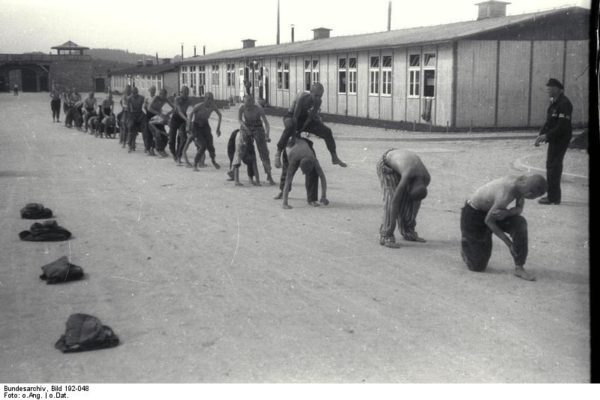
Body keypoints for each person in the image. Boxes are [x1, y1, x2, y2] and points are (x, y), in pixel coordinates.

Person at [460, 174, 548, 282]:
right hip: (474, 214)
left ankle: (519, 267)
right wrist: (509, 243)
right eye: (534, 197)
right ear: (529, 194)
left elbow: (519, 209)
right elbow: (489, 221)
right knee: (477, 266)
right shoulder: (505, 194)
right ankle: (467, 243)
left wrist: (507, 213)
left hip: (495, 212)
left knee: (520, 223)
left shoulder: (521, 184)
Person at [274, 82, 346, 169]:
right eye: (316, 95)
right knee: (290, 126)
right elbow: (295, 118)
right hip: (291, 116)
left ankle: (334, 156)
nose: (318, 98)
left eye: (320, 96)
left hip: (304, 119)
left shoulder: (318, 101)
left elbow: (309, 118)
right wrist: (294, 137)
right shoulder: (302, 97)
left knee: (327, 131)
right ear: (310, 92)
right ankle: (278, 152)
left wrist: (301, 131)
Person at [376, 149, 430, 248]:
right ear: (409, 185)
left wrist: (411, 220)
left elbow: (416, 202)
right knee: (391, 197)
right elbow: (394, 202)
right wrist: (391, 227)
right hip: (387, 164)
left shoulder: (426, 178)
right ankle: (386, 235)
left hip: (402, 164)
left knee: (408, 201)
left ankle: (408, 231)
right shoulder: (408, 174)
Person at [534, 78, 573, 205]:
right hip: (555, 138)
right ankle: (553, 196)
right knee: (551, 166)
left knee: (554, 167)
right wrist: (541, 134)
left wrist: (547, 136)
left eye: (550, 88)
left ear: (557, 89)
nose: (547, 90)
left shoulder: (564, 103)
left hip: (561, 139)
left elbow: (562, 126)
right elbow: (549, 121)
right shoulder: (554, 102)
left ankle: (553, 198)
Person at [281, 137, 328, 209]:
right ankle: (283, 194)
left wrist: (323, 196)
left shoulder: (313, 158)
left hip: (304, 145)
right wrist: (285, 204)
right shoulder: (293, 158)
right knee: (287, 174)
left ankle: (311, 199)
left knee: (314, 174)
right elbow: (288, 180)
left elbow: (322, 177)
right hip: (290, 145)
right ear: (299, 165)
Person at [238, 94, 275, 184]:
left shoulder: (258, 109)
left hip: (258, 127)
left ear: (253, 102)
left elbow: (266, 124)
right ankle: (250, 175)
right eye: (246, 104)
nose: (248, 107)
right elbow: (239, 120)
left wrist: (267, 134)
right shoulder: (242, 108)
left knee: (264, 153)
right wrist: (245, 128)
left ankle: (269, 175)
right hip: (247, 127)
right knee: (247, 151)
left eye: (250, 104)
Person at [182, 92, 221, 171]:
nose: (210, 101)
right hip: (196, 126)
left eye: (211, 99)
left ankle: (213, 161)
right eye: (208, 99)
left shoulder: (213, 106)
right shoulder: (199, 106)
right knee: (202, 145)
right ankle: (195, 164)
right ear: (205, 99)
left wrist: (218, 128)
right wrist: (188, 126)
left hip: (205, 125)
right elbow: (191, 114)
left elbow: (220, 115)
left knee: (211, 146)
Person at [146, 88, 175, 157]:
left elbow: (174, 108)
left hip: (159, 116)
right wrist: (159, 113)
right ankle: (151, 149)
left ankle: (161, 149)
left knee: (164, 134)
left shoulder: (165, 99)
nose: (163, 96)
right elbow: (149, 108)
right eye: (162, 95)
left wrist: (168, 113)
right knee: (153, 134)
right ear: (160, 94)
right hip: (151, 114)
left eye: (165, 95)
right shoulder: (156, 98)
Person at [169, 86, 191, 162]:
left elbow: (193, 109)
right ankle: (174, 153)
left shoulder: (188, 100)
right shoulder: (177, 99)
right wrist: (187, 119)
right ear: (181, 92)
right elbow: (179, 111)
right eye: (184, 92)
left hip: (183, 120)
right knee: (172, 139)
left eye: (187, 93)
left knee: (183, 138)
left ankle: (179, 155)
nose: (186, 94)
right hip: (175, 119)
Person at [126, 87, 146, 153]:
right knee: (131, 127)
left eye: (136, 93)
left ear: (138, 92)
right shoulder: (129, 99)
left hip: (140, 115)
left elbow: (144, 108)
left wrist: (142, 116)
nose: (135, 94)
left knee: (145, 129)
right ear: (132, 93)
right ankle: (129, 145)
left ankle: (147, 146)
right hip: (132, 115)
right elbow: (128, 110)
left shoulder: (142, 98)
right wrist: (131, 117)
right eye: (133, 93)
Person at [142, 86, 157, 155]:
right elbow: (144, 107)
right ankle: (147, 148)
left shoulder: (156, 98)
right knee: (147, 133)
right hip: (148, 116)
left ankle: (153, 148)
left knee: (154, 133)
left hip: (155, 116)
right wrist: (146, 109)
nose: (153, 91)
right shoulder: (147, 98)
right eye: (152, 90)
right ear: (149, 91)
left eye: (154, 90)